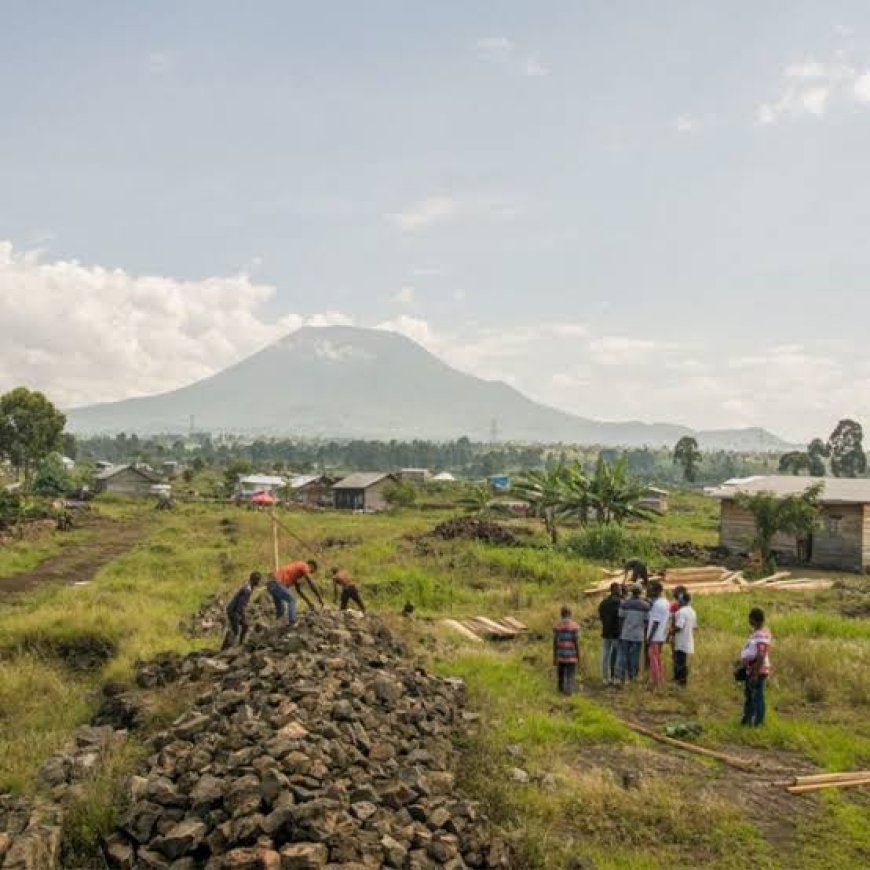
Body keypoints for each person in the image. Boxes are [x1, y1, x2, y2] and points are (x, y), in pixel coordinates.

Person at [740, 607, 772, 726]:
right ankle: (748, 718)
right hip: (752, 668)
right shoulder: (758, 633)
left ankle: (758, 722)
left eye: (750, 618)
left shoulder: (761, 635)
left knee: (757, 696)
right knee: (750, 695)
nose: (749, 621)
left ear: (754, 619)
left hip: (758, 670)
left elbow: (761, 655)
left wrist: (755, 673)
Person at [266, 559, 323, 625]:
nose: (310, 573)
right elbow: (311, 583)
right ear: (311, 566)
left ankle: (277, 626)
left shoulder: (296, 570)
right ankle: (292, 621)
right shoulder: (304, 565)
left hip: (270, 584)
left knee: (281, 610)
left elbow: (299, 591)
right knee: (291, 600)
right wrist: (319, 597)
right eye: (312, 571)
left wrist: (309, 603)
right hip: (276, 583)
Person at [616, 583, 650, 682]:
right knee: (634, 657)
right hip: (638, 635)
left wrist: (620, 632)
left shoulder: (624, 604)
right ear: (640, 592)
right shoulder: (645, 606)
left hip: (625, 634)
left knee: (623, 655)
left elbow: (620, 620)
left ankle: (621, 677)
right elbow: (646, 622)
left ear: (631, 591)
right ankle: (633, 677)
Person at [222, 571, 261, 648]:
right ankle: (231, 647)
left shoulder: (248, 587)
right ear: (254, 580)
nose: (259, 582)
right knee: (236, 630)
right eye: (258, 580)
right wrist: (242, 616)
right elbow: (240, 606)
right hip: (233, 611)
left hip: (234, 610)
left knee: (244, 626)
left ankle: (239, 644)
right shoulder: (247, 590)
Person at [645, 580, 670, 689]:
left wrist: (649, 637)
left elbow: (655, 622)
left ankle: (655, 682)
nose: (648, 591)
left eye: (650, 589)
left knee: (653, 658)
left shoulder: (657, 605)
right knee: (657, 657)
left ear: (655, 591)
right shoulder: (665, 602)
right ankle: (659, 678)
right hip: (661, 634)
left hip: (655, 636)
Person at [671, 590, 697, 686]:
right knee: (683, 661)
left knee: (679, 661)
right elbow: (694, 626)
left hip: (680, 640)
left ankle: (679, 681)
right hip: (688, 639)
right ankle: (682, 680)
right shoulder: (693, 611)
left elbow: (679, 626)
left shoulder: (681, 612)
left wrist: (670, 632)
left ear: (682, 600)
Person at [553, 606, 581, 694]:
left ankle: (560, 689)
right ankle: (568, 690)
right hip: (571, 655)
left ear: (561, 614)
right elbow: (576, 642)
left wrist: (554, 656)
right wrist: (578, 655)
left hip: (560, 654)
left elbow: (555, 642)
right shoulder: (575, 626)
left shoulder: (557, 626)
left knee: (560, 674)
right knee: (570, 674)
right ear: (570, 614)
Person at [598, 582, 622, 685]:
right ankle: (615, 677)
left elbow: (601, 616)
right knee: (617, 655)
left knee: (605, 655)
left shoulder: (603, 602)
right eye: (619, 589)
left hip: (606, 631)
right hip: (616, 632)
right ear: (616, 589)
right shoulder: (620, 602)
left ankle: (605, 677)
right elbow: (621, 617)